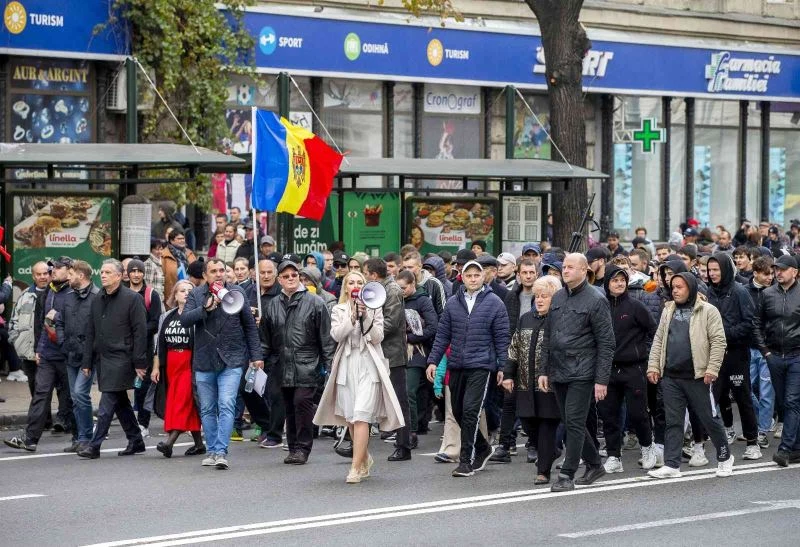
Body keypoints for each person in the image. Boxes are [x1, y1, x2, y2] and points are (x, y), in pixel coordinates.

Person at [314, 271, 404, 483]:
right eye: (351, 282)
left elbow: (377, 337)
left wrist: (366, 317)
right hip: (347, 366)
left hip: (368, 366)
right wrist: (352, 317)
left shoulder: (375, 308)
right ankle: (363, 458)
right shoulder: (338, 309)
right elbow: (336, 335)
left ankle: (355, 468)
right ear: (346, 287)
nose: (355, 285)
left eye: (359, 283)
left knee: (362, 415)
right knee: (351, 418)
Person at [538, 253, 615, 492]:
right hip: (559, 370)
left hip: (583, 371)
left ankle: (567, 474)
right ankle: (594, 464)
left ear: (584, 270)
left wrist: (601, 379)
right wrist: (544, 370)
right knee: (572, 421)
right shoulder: (559, 296)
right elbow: (548, 336)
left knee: (574, 422)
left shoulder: (596, 299)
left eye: (571, 267)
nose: (566, 270)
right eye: (564, 267)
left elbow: (606, 342)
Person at [426, 260, 510, 477]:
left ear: (483, 277)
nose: (473, 279)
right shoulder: (453, 303)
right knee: (458, 410)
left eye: (477, 275)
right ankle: (483, 447)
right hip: (457, 364)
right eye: (469, 275)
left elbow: (502, 338)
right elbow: (442, 335)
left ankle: (466, 460)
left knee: (471, 410)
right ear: (462, 277)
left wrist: (503, 367)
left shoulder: (495, 303)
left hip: (481, 365)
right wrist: (433, 361)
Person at [646, 273, 734, 479]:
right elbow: (659, 339)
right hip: (671, 377)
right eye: (673, 287)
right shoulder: (668, 310)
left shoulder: (708, 310)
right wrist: (653, 366)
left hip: (698, 376)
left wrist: (712, 369)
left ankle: (725, 457)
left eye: (680, 287)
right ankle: (672, 465)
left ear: (691, 289)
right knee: (673, 421)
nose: (675, 290)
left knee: (708, 418)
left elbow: (719, 341)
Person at [180, 258, 263, 470]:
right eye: (213, 271)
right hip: (204, 360)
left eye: (221, 270)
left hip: (232, 359)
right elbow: (185, 320)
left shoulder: (237, 293)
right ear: (206, 275)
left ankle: (221, 451)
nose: (218, 274)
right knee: (207, 408)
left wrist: (256, 356)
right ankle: (212, 451)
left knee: (226, 404)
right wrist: (205, 309)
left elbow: (249, 327)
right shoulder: (196, 294)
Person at [262, 260, 334, 465]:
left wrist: (329, 366)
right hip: (282, 365)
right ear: (279, 280)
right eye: (286, 276)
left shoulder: (315, 302)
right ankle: (293, 447)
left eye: (294, 275)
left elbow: (326, 339)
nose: (291, 279)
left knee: (302, 403)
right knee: (289, 407)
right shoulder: (273, 304)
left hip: (307, 364)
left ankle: (303, 448)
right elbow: (265, 339)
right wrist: (259, 360)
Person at [76, 260, 149, 460]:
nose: (104, 275)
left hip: (123, 357)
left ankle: (95, 445)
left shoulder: (132, 298)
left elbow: (140, 332)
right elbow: (91, 330)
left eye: (108, 272)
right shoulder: (98, 298)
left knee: (107, 400)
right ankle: (136, 440)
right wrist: (87, 362)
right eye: (102, 272)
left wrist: (140, 362)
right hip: (102, 358)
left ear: (119, 276)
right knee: (121, 402)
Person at [4, 257, 76, 453]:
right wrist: (39, 350)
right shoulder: (49, 293)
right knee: (40, 395)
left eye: (55, 269)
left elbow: (78, 322)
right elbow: (43, 326)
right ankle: (30, 439)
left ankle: (80, 436)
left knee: (73, 396)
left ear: (69, 271)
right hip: (47, 355)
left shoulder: (74, 293)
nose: (50, 272)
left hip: (68, 355)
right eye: (47, 270)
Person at [597, 266, 659, 474]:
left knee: (638, 413)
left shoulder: (636, 306)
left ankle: (647, 448)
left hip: (634, 367)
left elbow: (654, 332)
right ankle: (614, 456)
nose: (619, 284)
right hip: (608, 369)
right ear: (607, 283)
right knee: (609, 415)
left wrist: (647, 355)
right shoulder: (600, 306)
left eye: (622, 280)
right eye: (615, 280)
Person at [502, 276, 563, 483]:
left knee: (547, 426)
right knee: (528, 423)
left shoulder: (559, 320)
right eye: (537, 296)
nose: (539, 300)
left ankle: (543, 471)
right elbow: (514, 348)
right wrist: (508, 373)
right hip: (525, 384)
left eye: (545, 296)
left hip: (548, 386)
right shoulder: (526, 318)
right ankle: (551, 451)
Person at [706, 252, 761, 459]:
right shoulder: (709, 293)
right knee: (716, 397)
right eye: (710, 270)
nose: (712, 274)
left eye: (716, 269)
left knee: (743, 397)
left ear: (725, 269)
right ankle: (725, 432)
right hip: (715, 356)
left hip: (737, 354)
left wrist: (723, 335)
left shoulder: (740, 291)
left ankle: (752, 441)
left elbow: (749, 323)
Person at [753, 255, 800, 467]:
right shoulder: (767, 294)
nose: (777, 273)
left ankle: (785, 449)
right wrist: (766, 353)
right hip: (774, 356)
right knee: (784, 403)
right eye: (775, 269)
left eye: (782, 269)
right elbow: (756, 324)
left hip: (796, 356)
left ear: (795, 272)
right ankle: (797, 447)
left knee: (791, 401)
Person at [363, 258, 412, 461]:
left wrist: (365, 331)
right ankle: (357, 443)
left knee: (398, 401)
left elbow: (391, 322)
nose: (365, 277)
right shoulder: (377, 288)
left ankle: (404, 445)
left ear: (374, 275)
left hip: (391, 354)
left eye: (366, 273)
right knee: (365, 399)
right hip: (376, 351)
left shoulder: (391, 290)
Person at [151, 280, 205, 458]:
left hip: (190, 362)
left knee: (183, 402)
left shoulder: (197, 315)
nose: (186, 293)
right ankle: (198, 444)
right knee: (181, 403)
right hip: (171, 364)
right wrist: (156, 367)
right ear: (175, 295)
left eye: (190, 290)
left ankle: (169, 442)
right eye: (182, 290)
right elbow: (159, 344)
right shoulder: (166, 316)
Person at [492, 258, 538, 462]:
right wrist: (505, 363)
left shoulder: (543, 294)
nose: (528, 276)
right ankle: (505, 444)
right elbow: (505, 330)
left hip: (537, 356)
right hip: (515, 353)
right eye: (525, 272)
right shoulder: (512, 297)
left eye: (532, 272)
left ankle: (535, 444)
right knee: (509, 401)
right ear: (518, 274)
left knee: (534, 402)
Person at [56, 260, 100, 453]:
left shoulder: (97, 297)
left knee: (81, 394)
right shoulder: (69, 296)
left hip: (88, 355)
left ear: (81, 276)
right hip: (70, 353)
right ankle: (80, 437)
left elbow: (101, 328)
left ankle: (86, 437)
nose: (68, 277)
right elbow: (59, 321)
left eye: (71, 274)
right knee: (75, 396)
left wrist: (91, 355)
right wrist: (62, 342)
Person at [396, 270, 438, 450]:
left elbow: (433, 327)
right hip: (398, 352)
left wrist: (410, 337)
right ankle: (403, 430)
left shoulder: (423, 301)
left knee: (408, 391)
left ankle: (411, 432)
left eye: (404, 288)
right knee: (401, 394)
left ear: (413, 284)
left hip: (417, 352)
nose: (401, 291)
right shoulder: (396, 299)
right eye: (398, 288)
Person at [126, 258, 163, 439]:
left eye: (139, 271)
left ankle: (143, 423)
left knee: (143, 387)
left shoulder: (151, 295)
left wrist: (138, 331)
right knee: (122, 385)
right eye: (132, 271)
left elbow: (156, 323)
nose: (136, 274)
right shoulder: (121, 292)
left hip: (145, 349)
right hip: (124, 348)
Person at [8, 262, 50, 402]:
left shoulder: (55, 294)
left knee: (47, 388)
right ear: (33, 276)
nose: (43, 277)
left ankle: (44, 420)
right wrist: (16, 341)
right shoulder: (25, 295)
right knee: (34, 387)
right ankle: (45, 420)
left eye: (45, 273)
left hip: (49, 351)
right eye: (39, 274)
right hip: (29, 352)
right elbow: (14, 320)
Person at [746, 256, 775, 448]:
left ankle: (763, 430)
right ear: (755, 273)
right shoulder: (744, 291)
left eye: (772, 273)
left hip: (768, 349)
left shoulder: (775, 292)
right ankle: (759, 421)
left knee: (766, 392)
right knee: (746, 389)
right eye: (766, 273)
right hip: (748, 348)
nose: (770, 277)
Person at [162, 228, 197, 306]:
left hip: (190, 292)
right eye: (179, 239)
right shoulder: (164, 255)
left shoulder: (190, 253)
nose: (182, 240)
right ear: (171, 240)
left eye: (183, 238)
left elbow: (196, 273)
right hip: (172, 292)